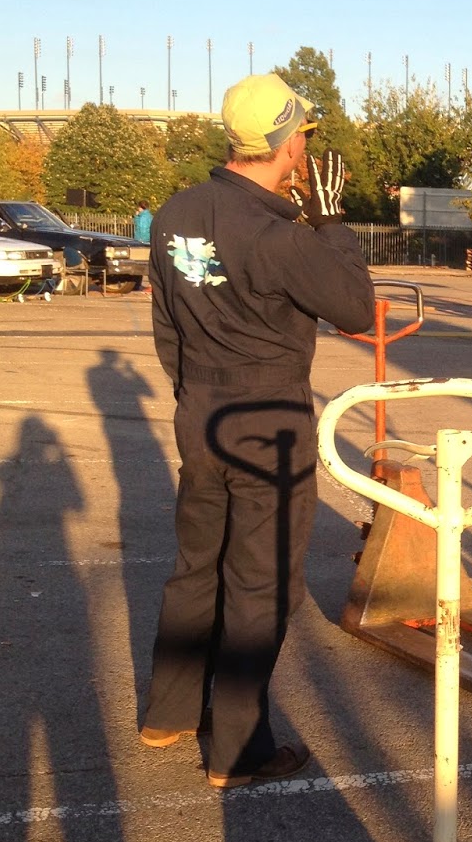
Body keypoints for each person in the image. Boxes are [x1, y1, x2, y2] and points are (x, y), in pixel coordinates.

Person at [140, 73, 376, 788]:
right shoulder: (279, 233)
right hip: (267, 417)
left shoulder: (177, 214)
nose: (308, 145)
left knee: (196, 565)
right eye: (304, 133)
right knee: (261, 583)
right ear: (286, 142)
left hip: (200, 409)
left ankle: (170, 713)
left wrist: (194, 398)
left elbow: (166, 329)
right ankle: (237, 751)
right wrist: (331, 223)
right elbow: (356, 309)